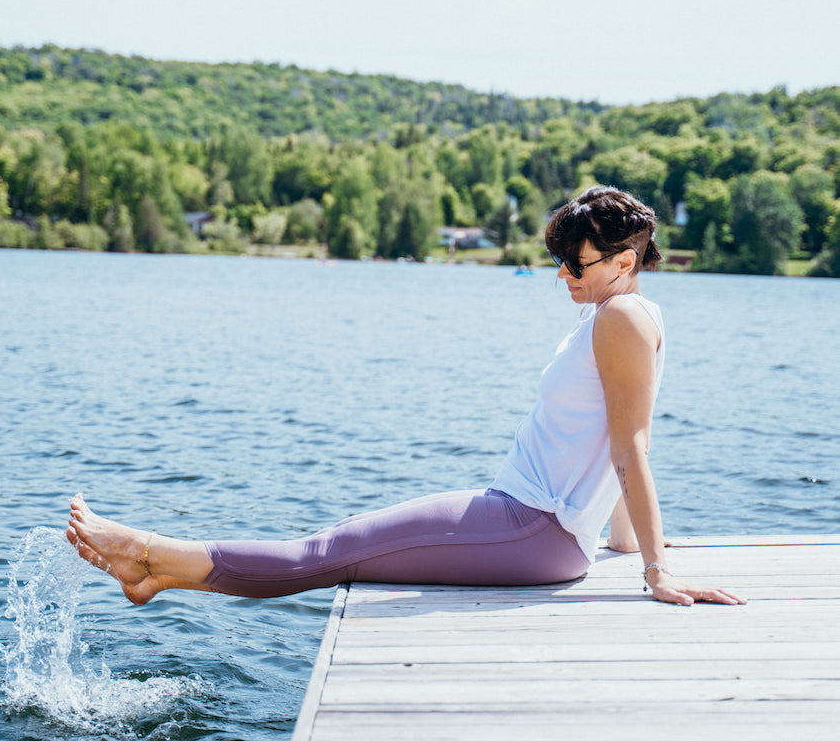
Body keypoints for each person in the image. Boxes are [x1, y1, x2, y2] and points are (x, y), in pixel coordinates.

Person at [67, 186, 745, 608]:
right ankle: (159, 568)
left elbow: (632, 444)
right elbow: (617, 437)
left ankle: (150, 558)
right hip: (537, 525)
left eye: (579, 261)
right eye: (560, 260)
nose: (564, 274)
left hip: (532, 524)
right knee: (341, 549)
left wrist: (655, 569)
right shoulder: (626, 317)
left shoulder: (622, 318)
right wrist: (624, 543)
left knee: (325, 550)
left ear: (624, 260)